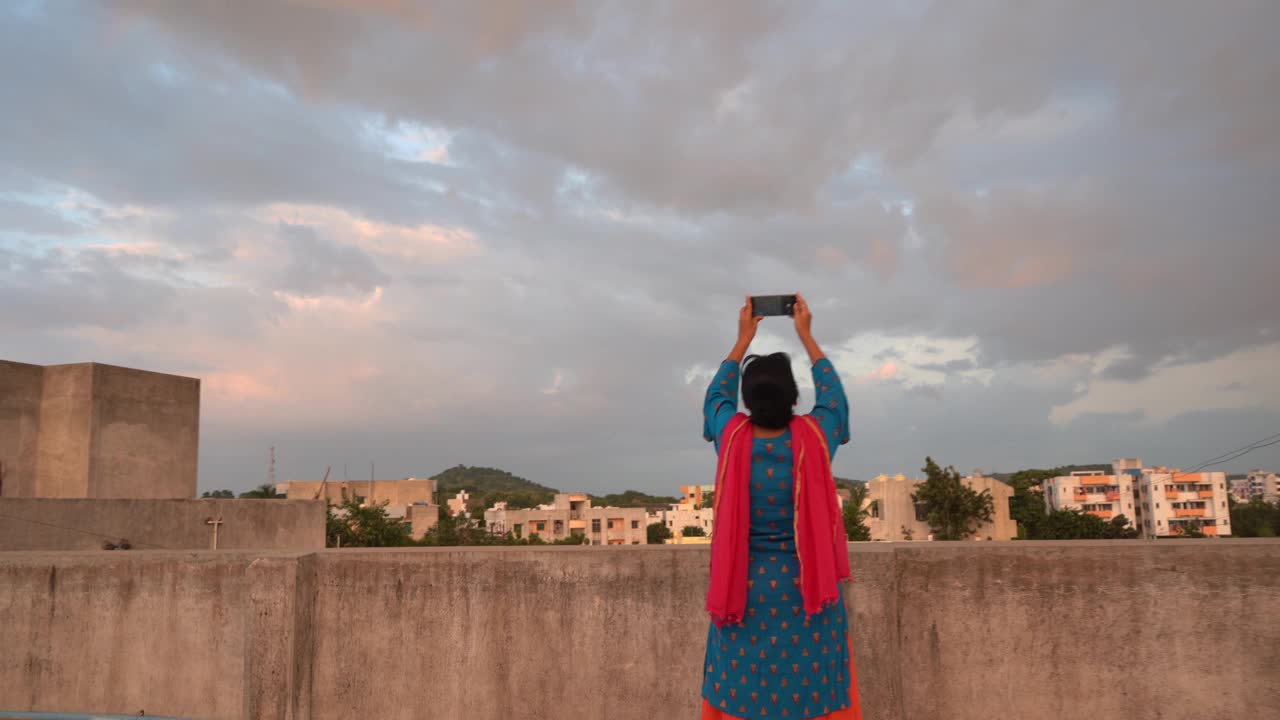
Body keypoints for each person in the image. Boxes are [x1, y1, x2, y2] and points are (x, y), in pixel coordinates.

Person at [700, 294, 860, 720]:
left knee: (743, 695)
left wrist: (742, 338)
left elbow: (715, 396)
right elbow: (835, 401)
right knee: (814, 698)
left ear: (748, 401)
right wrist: (806, 335)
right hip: (807, 593)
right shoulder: (814, 436)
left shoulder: (731, 437)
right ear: (793, 397)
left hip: (744, 592)